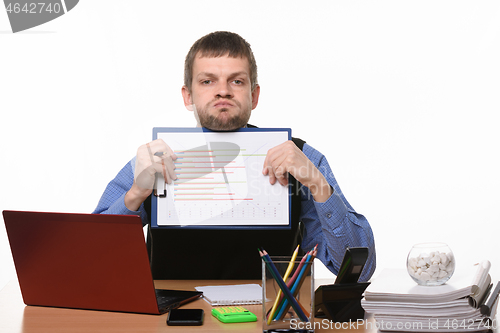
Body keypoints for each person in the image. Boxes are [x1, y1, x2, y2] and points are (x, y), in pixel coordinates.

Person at [93, 31, 376, 281]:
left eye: (237, 81)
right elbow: (93, 256)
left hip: (270, 316)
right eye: (207, 81)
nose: (223, 91)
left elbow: (358, 270)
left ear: (254, 96)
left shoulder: (299, 157)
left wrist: (317, 184)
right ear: (188, 96)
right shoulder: (154, 158)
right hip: (175, 319)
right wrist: (135, 194)